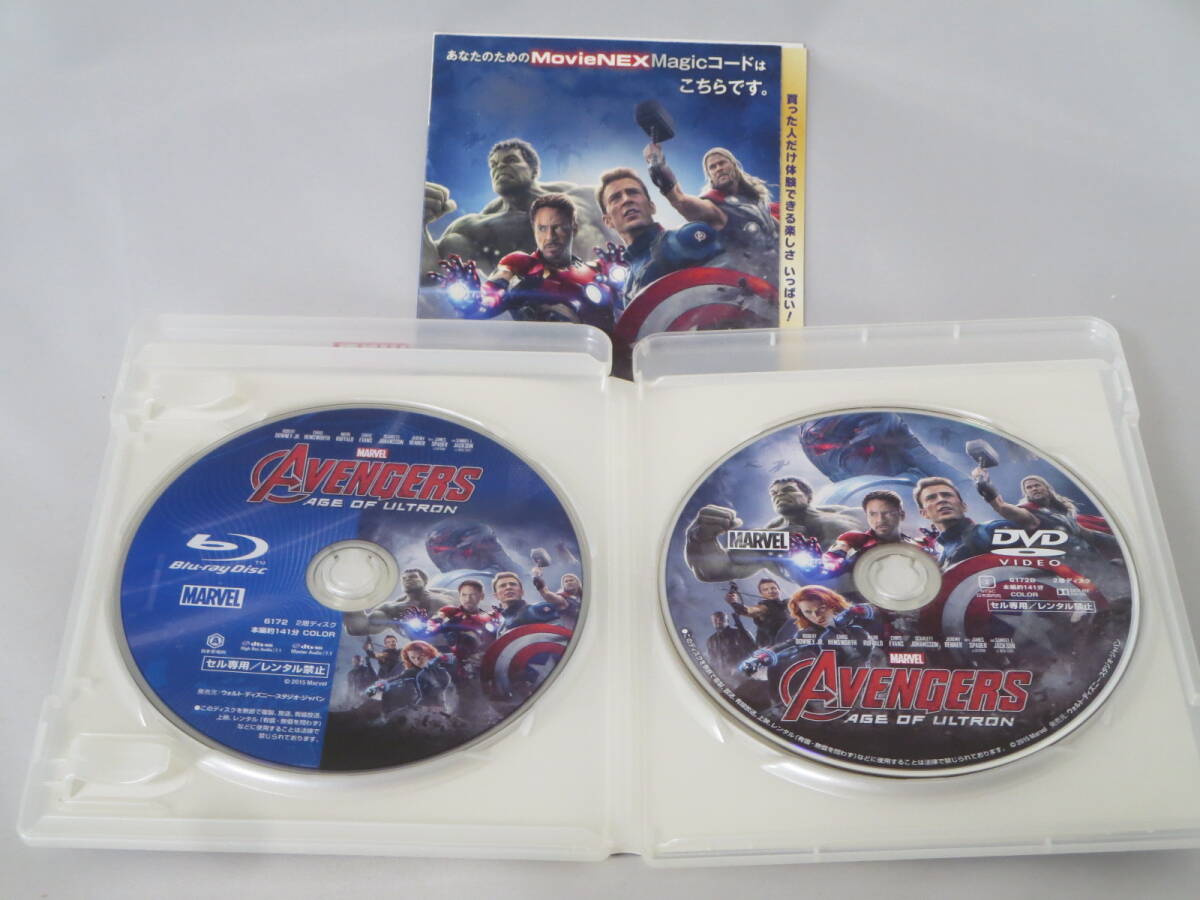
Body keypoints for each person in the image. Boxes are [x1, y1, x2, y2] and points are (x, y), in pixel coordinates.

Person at [421, 139, 614, 281]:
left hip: (598, 291)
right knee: (453, 241)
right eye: (494, 165)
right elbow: (432, 275)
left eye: (510, 160)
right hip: (522, 312)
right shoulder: (472, 227)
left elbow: (623, 234)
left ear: (533, 169)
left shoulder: (584, 197)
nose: (500, 167)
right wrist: (419, 225)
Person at [431, 193, 620, 331]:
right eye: (542, 228)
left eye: (558, 228)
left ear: (573, 228)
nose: (549, 236)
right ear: (534, 229)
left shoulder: (595, 270)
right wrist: (470, 299)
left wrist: (623, 277)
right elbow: (489, 297)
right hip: (546, 360)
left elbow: (624, 314)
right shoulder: (521, 265)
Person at [684, 476, 863, 582]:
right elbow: (717, 571)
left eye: (788, 490)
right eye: (774, 494)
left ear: (808, 495)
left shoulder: (846, 515)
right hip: (833, 605)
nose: (779, 495)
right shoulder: (764, 539)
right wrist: (700, 541)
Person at [594, 167, 723, 303]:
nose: (626, 200)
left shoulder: (684, 238)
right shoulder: (627, 284)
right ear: (608, 221)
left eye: (633, 192)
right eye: (615, 198)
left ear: (652, 207)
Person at [644, 143, 778, 272]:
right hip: (748, 279)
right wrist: (657, 165)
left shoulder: (754, 200)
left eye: (722, 163)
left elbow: (774, 230)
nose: (719, 168)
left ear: (734, 166)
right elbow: (680, 200)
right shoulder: (715, 207)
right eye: (713, 167)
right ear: (710, 176)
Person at [914, 476, 1054, 568]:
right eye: (931, 498)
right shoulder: (943, 555)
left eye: (947, 495)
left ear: (964, 506)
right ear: (924, 513)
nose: (941, 500)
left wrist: (998, 504)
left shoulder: (991, 531)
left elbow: (1033, 526)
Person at [823, 489, 938, 574]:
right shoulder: (857, 539)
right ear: (867, 516)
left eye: (887, 513)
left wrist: (933, 542)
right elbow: (836, 554)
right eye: (873, 514)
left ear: (901, 515)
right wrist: (831, 562)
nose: (880, 519)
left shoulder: (919, 544)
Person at [491, 571, 564, 635]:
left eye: (513, 584)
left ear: (522, 592)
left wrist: (544, 591)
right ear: (496, 596)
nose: (508, 587)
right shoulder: (501, 630)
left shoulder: (539, 609)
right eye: (502, 586)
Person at [725, 578, 791, 647]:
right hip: (773, 648)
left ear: (779, 590)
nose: (770, 591)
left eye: (773, 588)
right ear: (761, 594)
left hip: (790, 643)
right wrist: (733, 603)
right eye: (765, 590)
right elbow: (749, 610)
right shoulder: (765, 607)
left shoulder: (788, 603)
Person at [705, 610, 755, 676]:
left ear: (727, 620)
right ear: (712, 622)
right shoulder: (711, 640)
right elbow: (712, 660)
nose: (718, 621)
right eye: (715, 620)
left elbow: (755, 651)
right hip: (724, 675)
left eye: (721, 619)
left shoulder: (740, 633)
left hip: (744, 673)